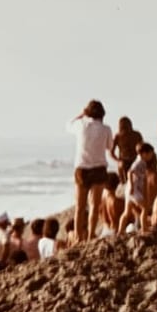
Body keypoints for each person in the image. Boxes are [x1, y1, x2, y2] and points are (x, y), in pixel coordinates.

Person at [67, 100, 114, 244]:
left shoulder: (81, 125)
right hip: (99, 168)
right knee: (94, 205)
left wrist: (81, 114)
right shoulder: (106, 129)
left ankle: (77, 237)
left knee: (80, 207)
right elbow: (109, 147)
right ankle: (90, 234)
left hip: (82, 168)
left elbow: (68, 125)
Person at [119, 142, 156, 234]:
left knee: (127, 212)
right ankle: (144, 228)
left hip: (131, 189)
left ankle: (120, 231)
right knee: (145, 208)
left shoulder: (140, 162)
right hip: (133, 189)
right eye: (150, 154)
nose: (151, 156)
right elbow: (130, 172)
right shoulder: (140, 162)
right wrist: (132, 185)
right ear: (144, 153)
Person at [111, 116, 144, 183]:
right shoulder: (118, 136)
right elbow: (111, 152)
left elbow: (143, 147)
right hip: (124, 161)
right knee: (124, 181)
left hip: (135, 160)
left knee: (137, 181)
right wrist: (118, 161)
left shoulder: (136, 135)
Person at [100, 172, 125, 237]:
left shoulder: (101, 201)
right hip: (115, 231)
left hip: (105, 230)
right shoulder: (118, 202)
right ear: (117, 184)